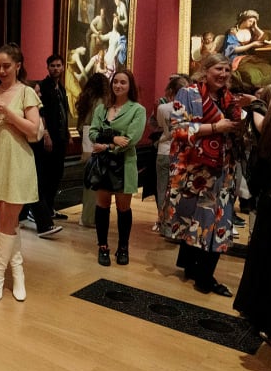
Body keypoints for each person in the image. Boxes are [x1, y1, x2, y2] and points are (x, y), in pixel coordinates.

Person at [164, 53, 249, 296]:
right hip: (195, 171)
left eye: (226, 70)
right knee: (198, 219)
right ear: (205, 70)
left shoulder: (228, 98)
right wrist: (215, 127)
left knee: (216, 220)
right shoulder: (188, 94)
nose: (223, 74)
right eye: (218, 69)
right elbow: (178, 129)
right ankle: (202, 276)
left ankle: (198, 271)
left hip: (222, 171)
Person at [0, 42, 43, 303]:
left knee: (7, 217)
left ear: (18, 66)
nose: (2, 71)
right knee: (7, 218)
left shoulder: (26, 93)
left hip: (18, 160)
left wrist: (7, 113)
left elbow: (33, 130)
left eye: (6, 66)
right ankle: (17, 271)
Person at [88, 69, 145, 265]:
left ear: (130, 86)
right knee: (102, 206)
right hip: (102, 165)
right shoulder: (101, 108)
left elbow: (130, 139)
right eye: (115, 82)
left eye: (123, 82)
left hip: (124, 165)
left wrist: (105, 146)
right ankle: (102, 247)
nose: (118, 85)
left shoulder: (137, 110)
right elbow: (92, 133)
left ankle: (123, 248)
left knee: (123, 208)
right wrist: (113, 139)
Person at [153, 74, 190, 235]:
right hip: (182, 152)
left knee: (162, 189)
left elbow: (161, 126)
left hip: (164, 150)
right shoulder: (190, 108)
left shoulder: (163, 108)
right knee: (178, 189)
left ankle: (164, 225)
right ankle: (177, 224)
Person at [37, 53, 72, 219]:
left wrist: (68, 133)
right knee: (47, 175)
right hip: (49, 138)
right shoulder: (43, 87)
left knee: (57, 174)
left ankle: (50, 208)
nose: (56, 68)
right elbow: (40, 112)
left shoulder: (62, 88)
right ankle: (40, 212)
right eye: (53, 66)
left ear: (63, 67)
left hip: (60, 138)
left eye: (58, 65)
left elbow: (63, 112)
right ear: (48, 67)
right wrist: (46, 134)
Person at [75, 72, 109, 227]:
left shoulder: (86, 101)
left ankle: (87, 216)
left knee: (89, 184)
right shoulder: (102, 103)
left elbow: (81, 126)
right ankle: (90, 218)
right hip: (96, 145)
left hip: (87, 145)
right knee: (95, 185)